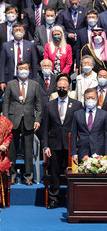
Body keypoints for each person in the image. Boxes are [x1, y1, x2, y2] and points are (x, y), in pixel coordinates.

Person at [42, 76, 82, 208]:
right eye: (59, 88)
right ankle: (54, 198)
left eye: (64, 88)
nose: (62, 90)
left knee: (72, 173)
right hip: (54, 144)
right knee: (54, 173)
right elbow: (45, 128)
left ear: (69, 89)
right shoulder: (49, 105)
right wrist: (46, 145)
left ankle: (73, 199)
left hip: (71, 146)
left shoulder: (77, 105)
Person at [3, 61, 42, 185]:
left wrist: (37, 120)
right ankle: (11, 175)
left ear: (29, 70)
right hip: (12, 120)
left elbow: (39, 105)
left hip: (29, 120)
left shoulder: (35, 85)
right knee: (12, 150)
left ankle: (28, 176)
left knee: (28, 151)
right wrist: (5, 120)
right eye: (21, 68)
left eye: (25, 68)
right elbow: (6, 103)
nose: (23, 70)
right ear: (17, 70)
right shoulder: (11, 84)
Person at [71, 88, 107, 165]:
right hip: (82, 152)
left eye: (92, 98)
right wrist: (74, 153)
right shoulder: (77, 114)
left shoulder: (104, 114)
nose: (90, 100)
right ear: (84, 99)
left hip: (100, 152)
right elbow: (73, 135)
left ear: (97, 99)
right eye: (88, 98)